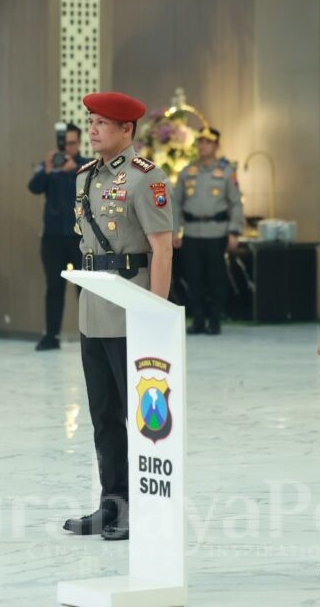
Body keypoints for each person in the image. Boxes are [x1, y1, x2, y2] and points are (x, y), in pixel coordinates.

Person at [63, 92, 173, 542]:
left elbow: (162, 247)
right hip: (94, 308)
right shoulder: (84, 177)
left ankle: (144, 507)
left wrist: (156, 313)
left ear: (126, 130)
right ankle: (113, 504)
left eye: (101, 123)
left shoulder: (146, 178)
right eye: (90, 121)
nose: (91, 129)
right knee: (104, 415)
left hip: (133, 307)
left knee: (140, 418)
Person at [171, 126, 243, 335]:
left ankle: (214, 319)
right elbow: (176, 203)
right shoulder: (187, 172)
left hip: (216, 232)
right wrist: (175, 230)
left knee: (216, 279)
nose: (203, 146)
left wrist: (234, 231)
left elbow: (235, 203)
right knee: (194, 278)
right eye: (200, 142)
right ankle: (198, 319)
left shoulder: (226, 172)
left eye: (208, 142)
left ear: (216, 145)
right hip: (192, 233)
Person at [27, 123, 88, 350]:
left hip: (79, 237)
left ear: (79, 143)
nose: (68, 148)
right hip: (52, 237)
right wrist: (49, 169)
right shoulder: (49, 166)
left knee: (84, 289)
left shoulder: (85, 167)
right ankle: (51, 336)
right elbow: (33, 187)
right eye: (65, 143)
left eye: (73, 143)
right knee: (54, 286)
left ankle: (88, 336)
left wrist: (74, 171)